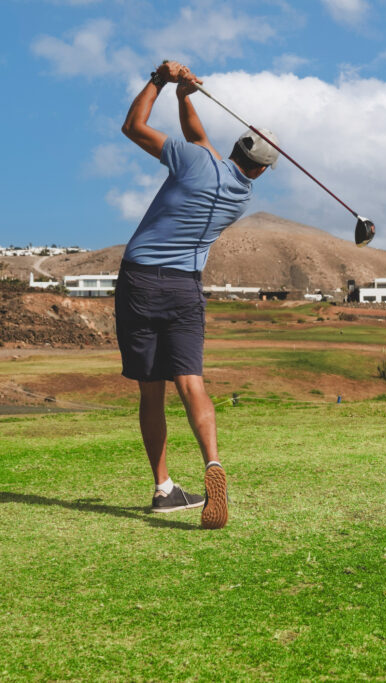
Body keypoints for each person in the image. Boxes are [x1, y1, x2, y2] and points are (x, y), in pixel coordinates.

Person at [118, 60, 279, 529]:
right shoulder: (241, 193)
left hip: (142, 280)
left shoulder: (194, 160)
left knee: (152, 389)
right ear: (261, 170)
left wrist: (161, 80)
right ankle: (212, 463)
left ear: (235, 145)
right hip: (186, 287)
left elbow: (134, 127)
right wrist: (186, 96)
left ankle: (164, 487)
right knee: (192, 382)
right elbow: (197, 139)